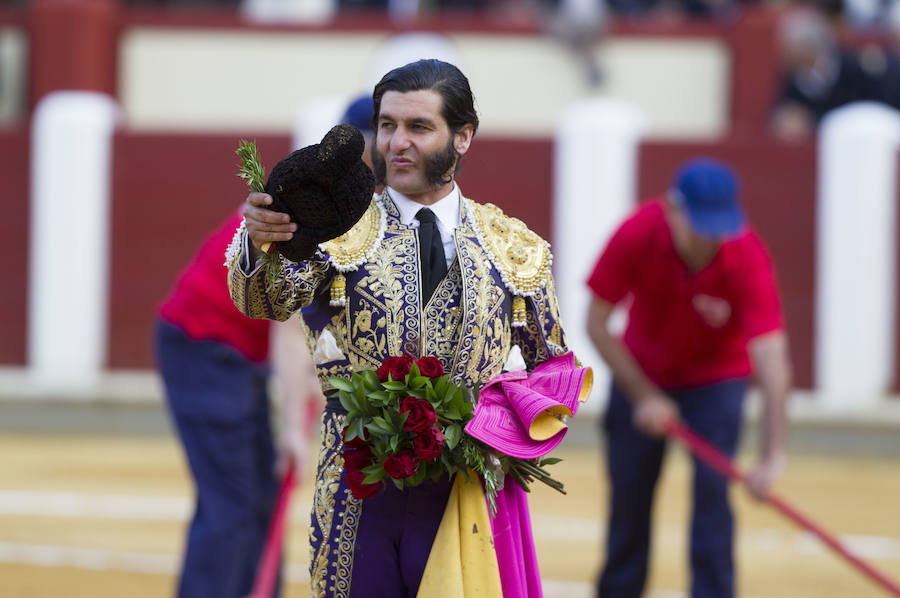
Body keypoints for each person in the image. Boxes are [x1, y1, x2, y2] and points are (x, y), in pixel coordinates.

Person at [227, 58, 570, 597]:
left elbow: (555, 365)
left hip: (470, 486)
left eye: (418, 127)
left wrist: (494, 428)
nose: (396, 143)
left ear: (463, 137)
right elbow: (263, 300)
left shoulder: (511, 243)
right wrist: (258, 240)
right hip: (359, 483)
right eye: (387, 125)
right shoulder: (337, 228)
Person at [586, 159, 791, 598]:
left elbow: (772, 359)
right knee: (629, 501)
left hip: (716, 382)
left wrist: (773, 455)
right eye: (701, 226)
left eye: (719, 227)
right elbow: (596, 323)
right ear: (673, 211)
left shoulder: (747, 254)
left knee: (713, 501)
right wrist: (643, 396)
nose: (710, 239)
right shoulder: (638, 233)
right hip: (641, 374)